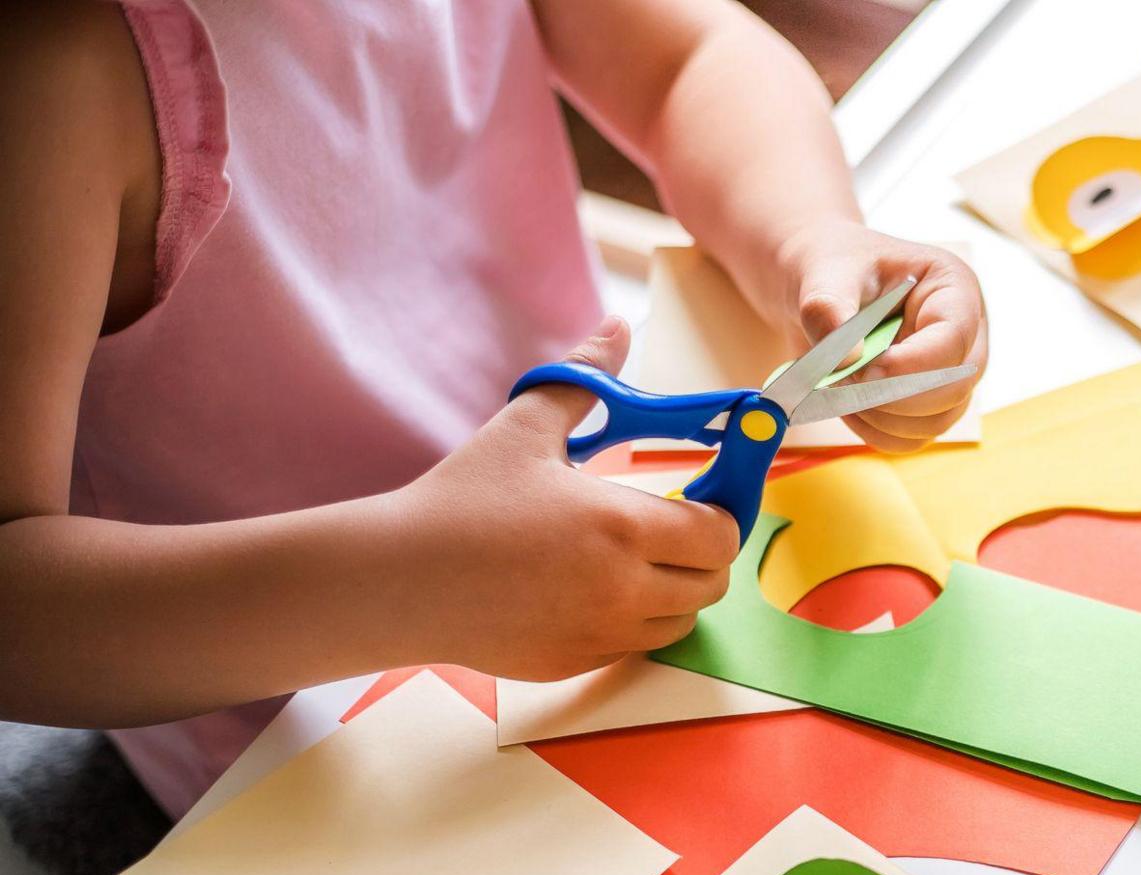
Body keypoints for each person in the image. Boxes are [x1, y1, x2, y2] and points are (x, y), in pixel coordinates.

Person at [0, 0, 987, 817]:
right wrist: (409, 579)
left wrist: (807, 236)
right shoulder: (48, 77)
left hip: (601, 513)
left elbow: (690, 57)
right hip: (316, 749)